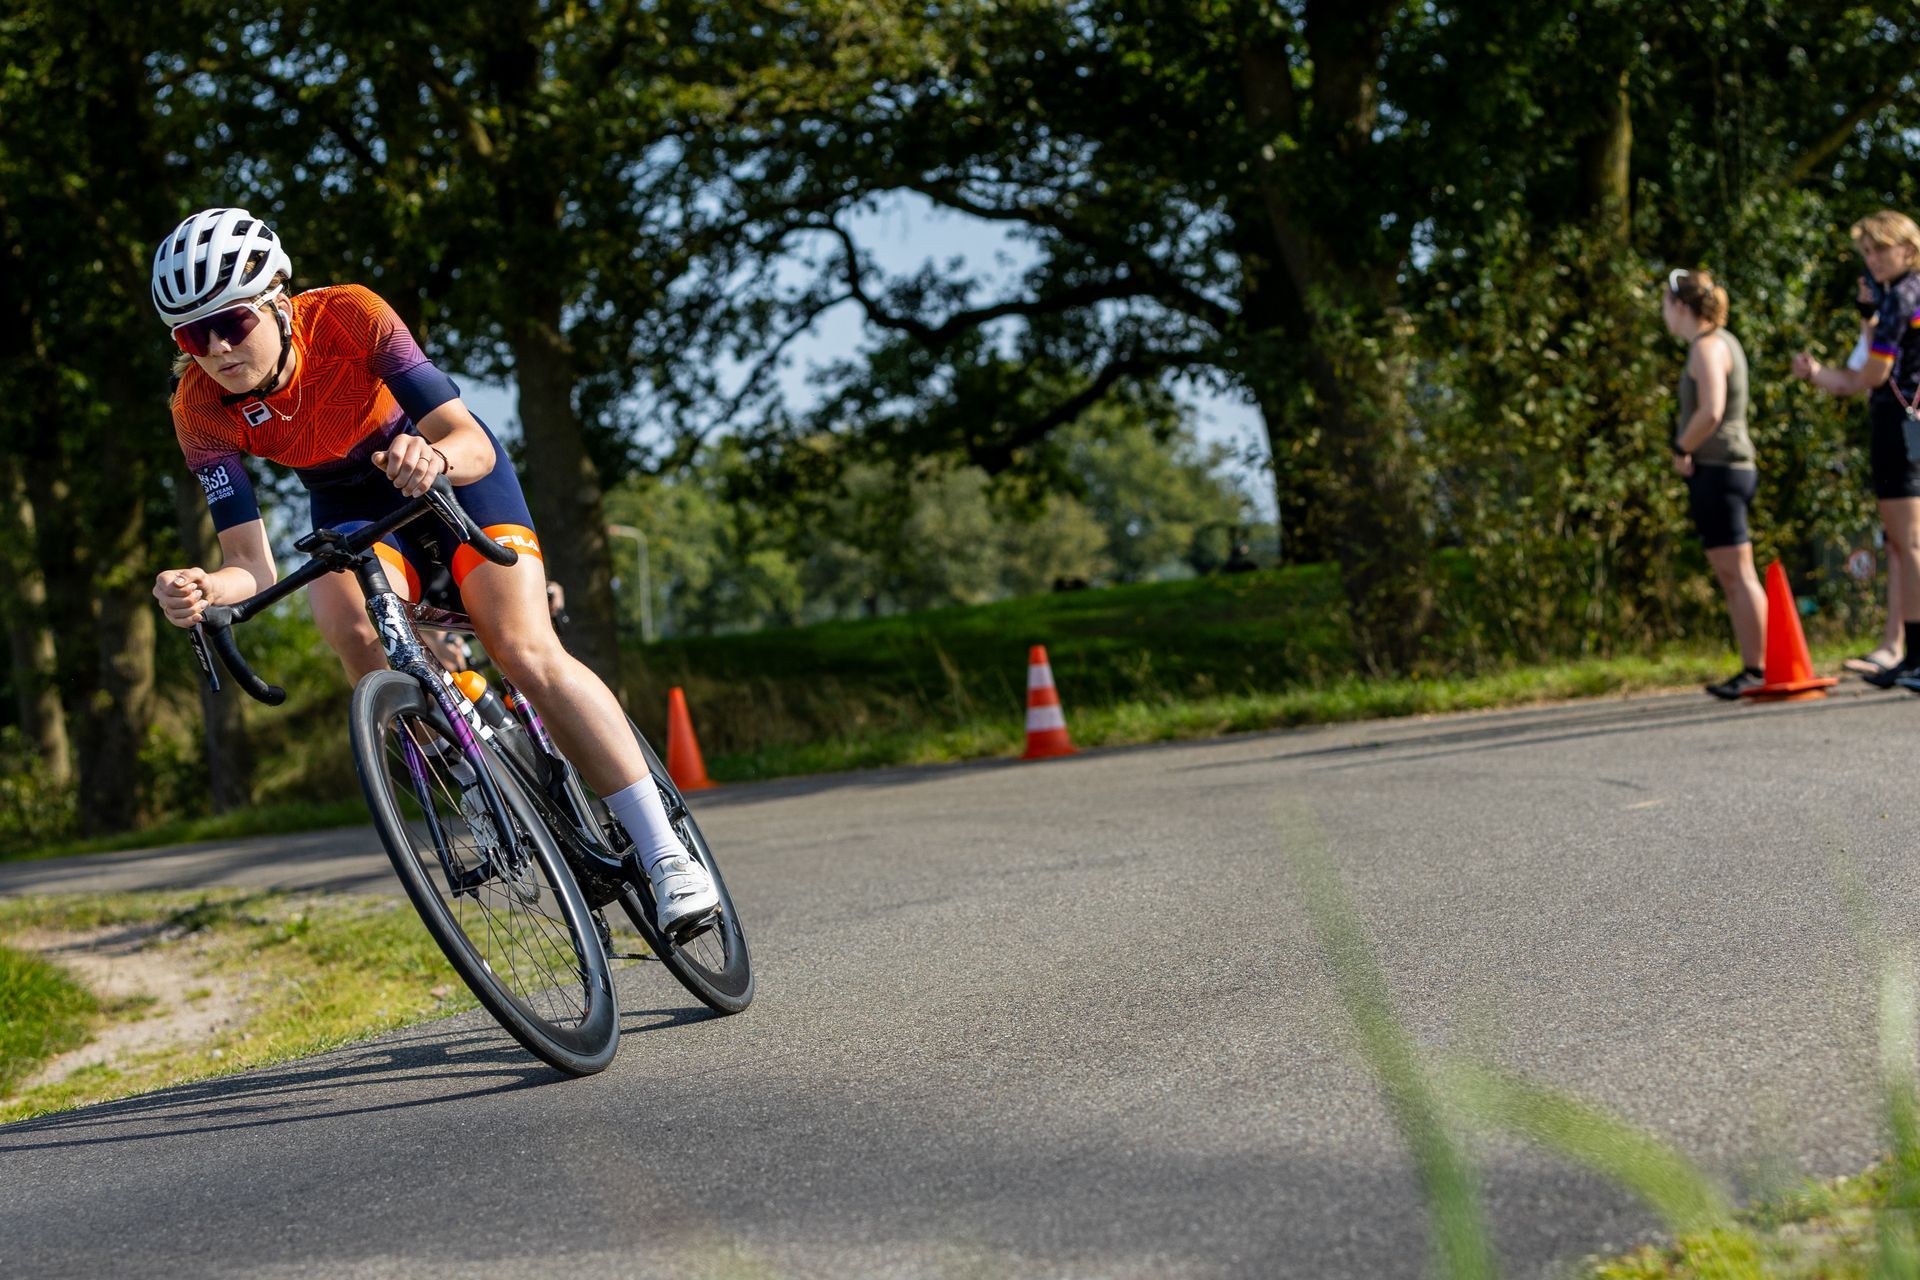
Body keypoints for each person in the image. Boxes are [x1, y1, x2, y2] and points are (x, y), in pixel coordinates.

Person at [147, 207, 719, 934]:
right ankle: (464, 771)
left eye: (232, 323)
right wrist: (199, 589)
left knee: (523, 649)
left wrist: (437, 459)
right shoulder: (199, 408)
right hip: (349, 505)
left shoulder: (353, 316)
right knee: (341, 617)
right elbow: (248, 566)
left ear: (277, 300)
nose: (219, 348)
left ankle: (666, 852)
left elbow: (468, 438)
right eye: (193, 335)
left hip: (447, 473)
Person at [1792, 209, 1920, 690]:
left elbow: (1871, 376)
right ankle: (1908, 653)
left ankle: (1914, 655)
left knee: (1907, 544)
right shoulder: (1902, 296)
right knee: (1902, 545)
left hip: (1897, 425)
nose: (1872, 259)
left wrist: (1823, 374)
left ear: (1906, 248)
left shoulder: (1902, 297)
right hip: (1902, 423)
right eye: (1866, 251)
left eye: (1879, 249)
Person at [1663, 269, 1766, 699]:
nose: (1664, 315)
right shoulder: (1719, 343)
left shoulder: (1706, 347)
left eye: (1666, 306)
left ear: (1681, 307)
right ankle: (1756, 666)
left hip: (1721, 469)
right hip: (1728, 469)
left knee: (1738, 573)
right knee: (1735, 573)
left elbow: (1711, 410)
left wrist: (1681, 447)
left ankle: (1758, 669)